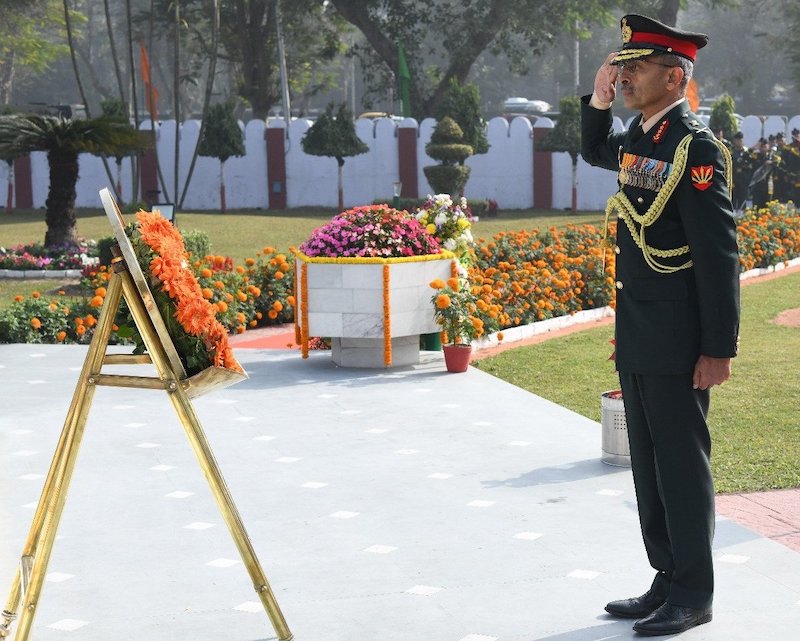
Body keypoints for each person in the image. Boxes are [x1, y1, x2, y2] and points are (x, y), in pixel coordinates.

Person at [581, 14, 740, 636]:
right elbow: (597, 150)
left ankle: (694, 592)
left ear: (675, 77)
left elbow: (717, 252)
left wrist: (717, 347)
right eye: (622, 66)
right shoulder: (644, 139)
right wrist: (596, 101)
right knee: (647, 464)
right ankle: (666, 578)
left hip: (678, 339)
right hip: (641, 331)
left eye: (637, 67)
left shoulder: (695, 147)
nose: (624, 76)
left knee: (679, 463)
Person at [730, 131, 753, 211]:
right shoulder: (730, 152)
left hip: (743, 181)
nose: (739, 142)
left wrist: (742, 168)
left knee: (742, 203)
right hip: (733, 180)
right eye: (737, 140)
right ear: (734, 141)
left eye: (740, 140)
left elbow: (750, 166)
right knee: (732, 202)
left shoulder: (747, 153)